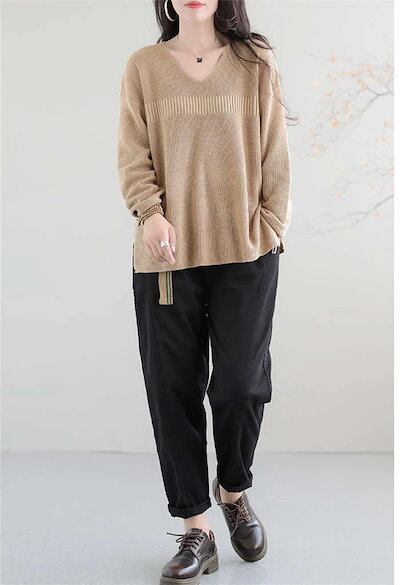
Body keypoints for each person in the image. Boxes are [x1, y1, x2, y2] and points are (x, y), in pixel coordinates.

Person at [117, 0, 293, 583]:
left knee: (241, 384)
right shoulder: (145, 66)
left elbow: (274, 150)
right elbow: (133, 154)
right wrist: (149, 214)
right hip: (168, 258)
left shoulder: (254, 61)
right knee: (172, 389)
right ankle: (197, 527)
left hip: (247, 250)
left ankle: (233, 490)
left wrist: (271, 225)